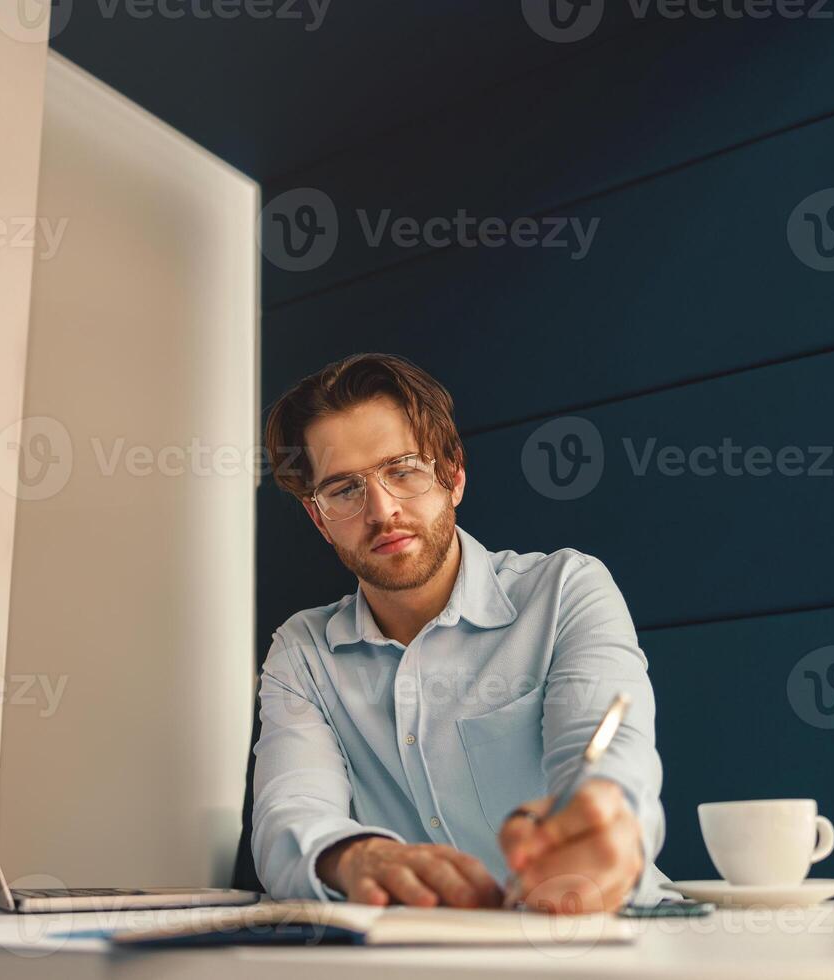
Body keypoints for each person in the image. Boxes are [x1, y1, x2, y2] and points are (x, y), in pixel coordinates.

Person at [251, 352, 670, 913]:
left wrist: (602, 823)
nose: (382, 510)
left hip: (610, 939)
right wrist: (356, 856)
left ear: (453, 476)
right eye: (345, 490)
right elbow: (289, 816)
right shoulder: (303, 653)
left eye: (403, 470)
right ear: (319, 519)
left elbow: (610, 762)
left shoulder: (567, 589)